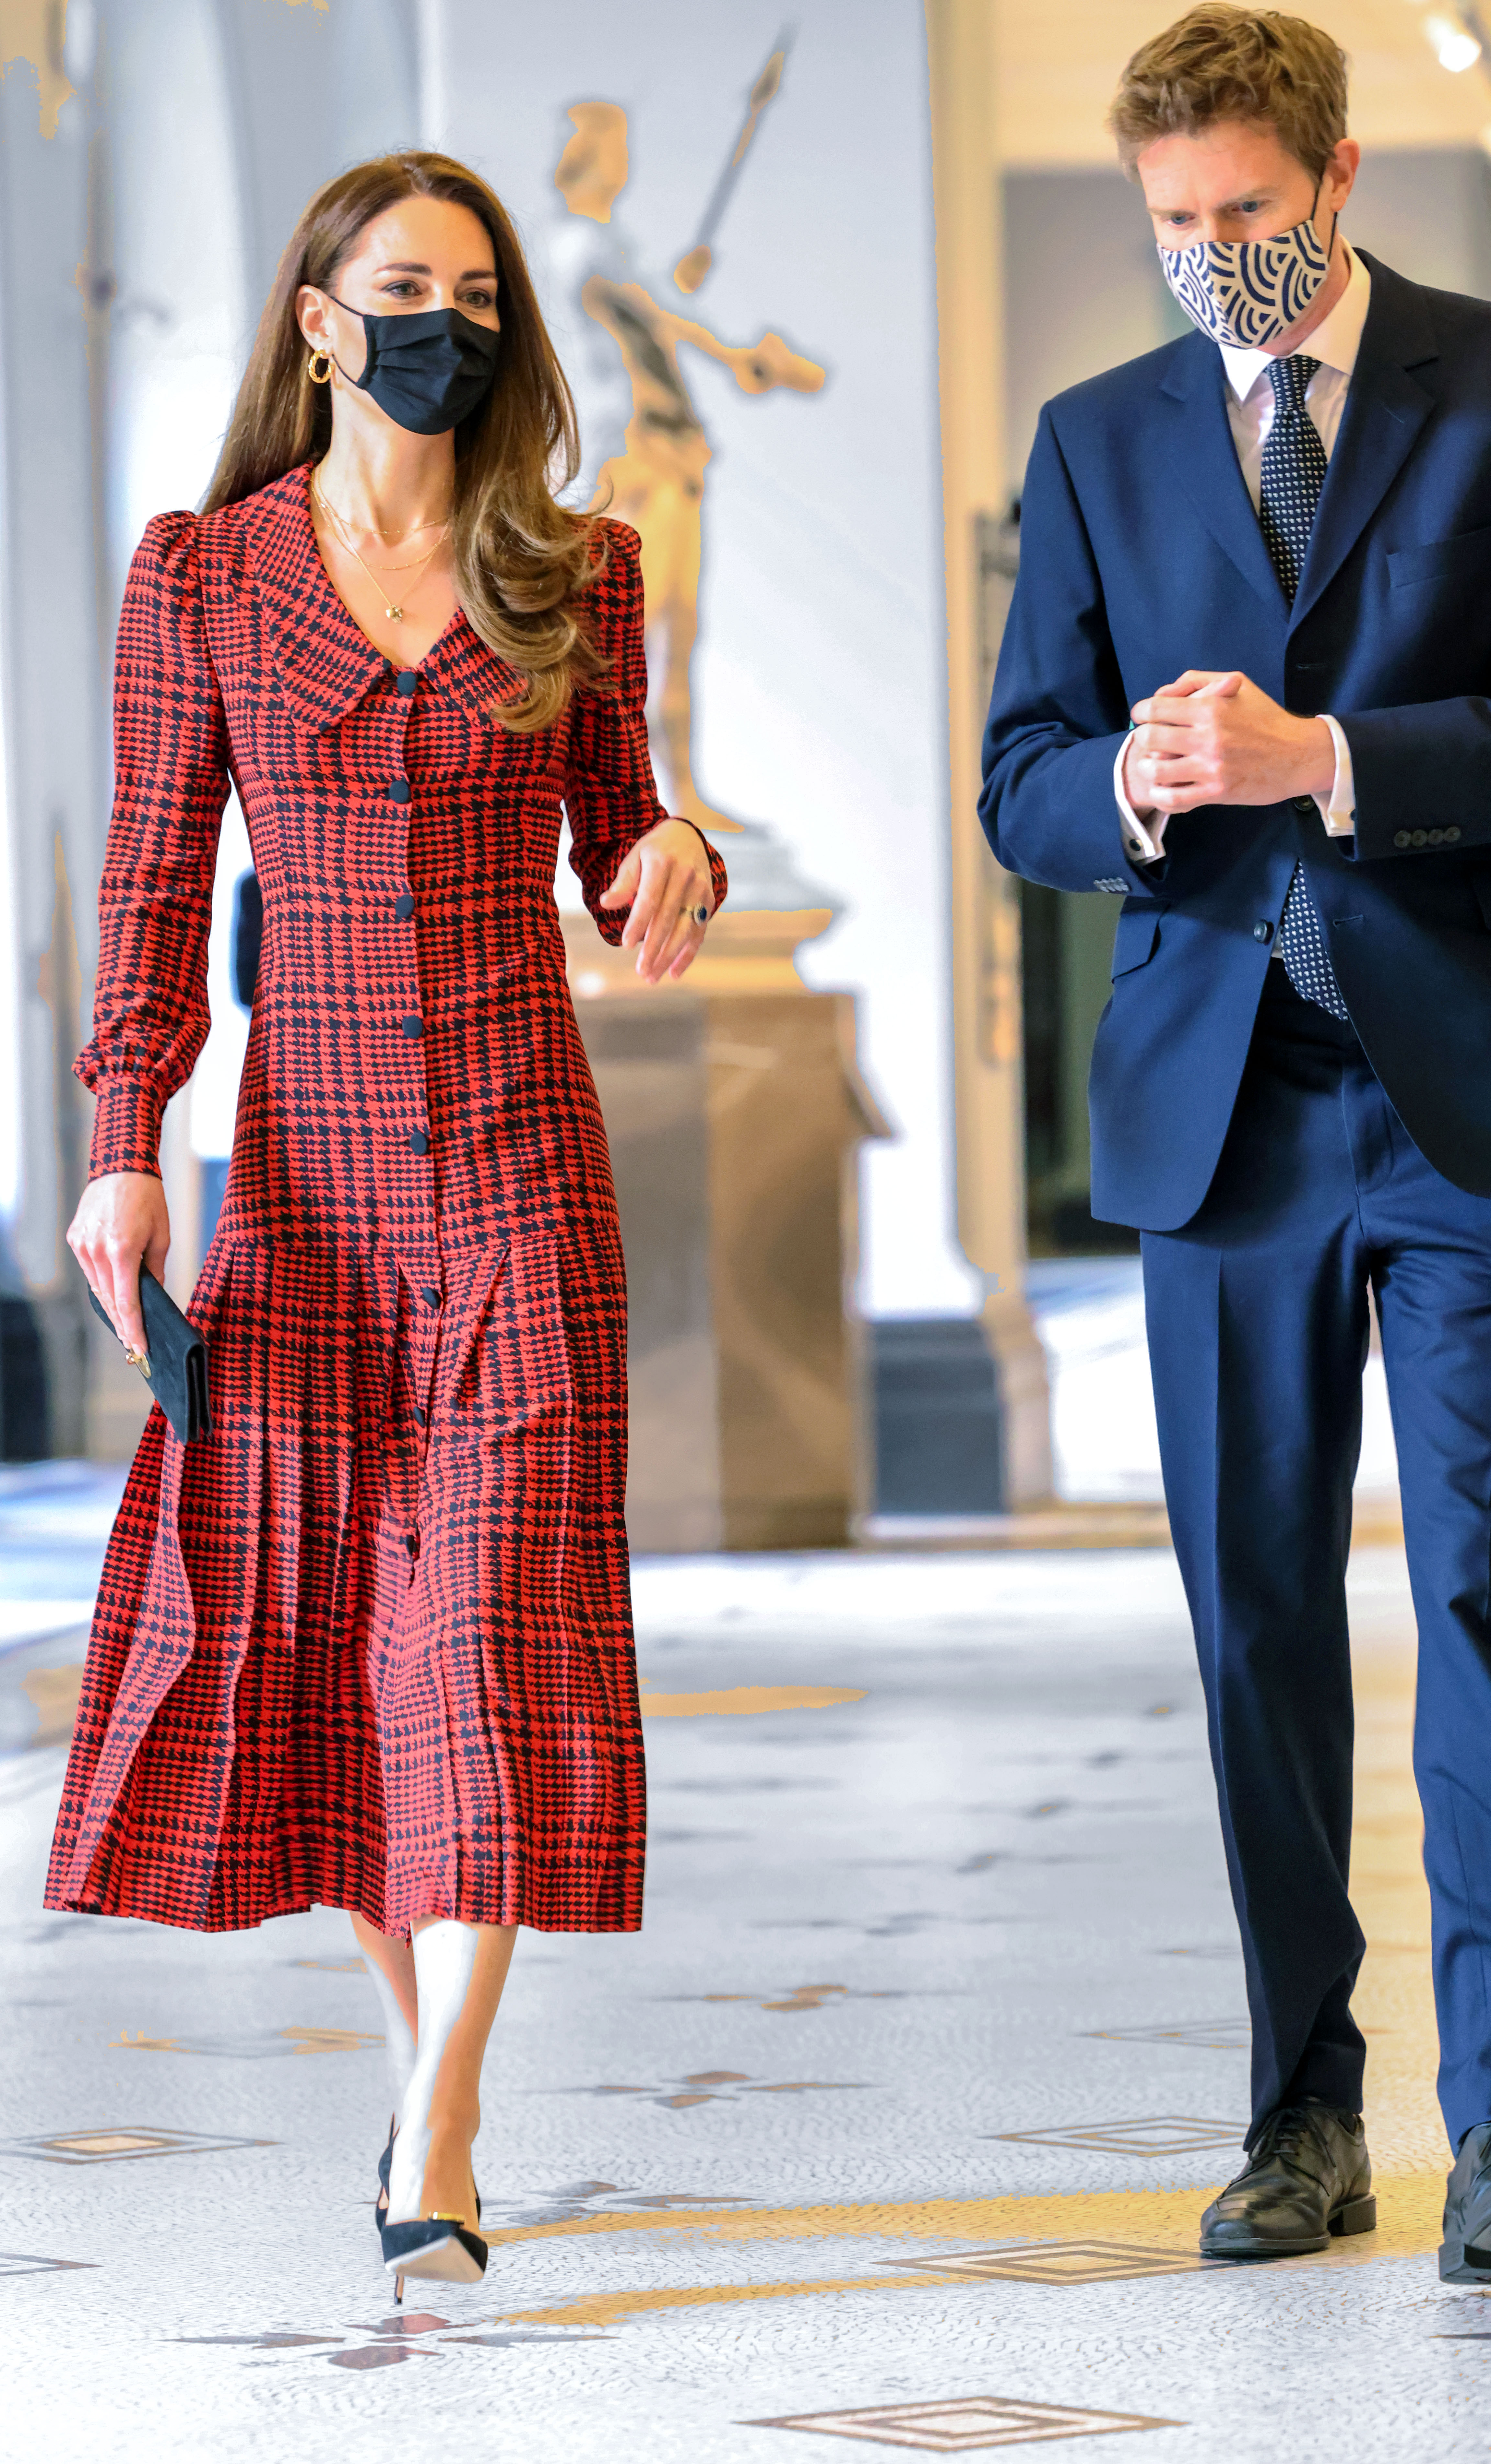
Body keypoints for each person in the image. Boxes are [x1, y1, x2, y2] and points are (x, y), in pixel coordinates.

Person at [46, 150, 725, 2297]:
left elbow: (624, 840)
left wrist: (675, 843)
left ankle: (435, 2120)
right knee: (349, 1655)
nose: (449, 319)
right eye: (403, 284)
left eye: (479, 289)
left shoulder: (574, 568)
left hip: (525, 1173)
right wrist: (121, 1137)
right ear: (320, 319)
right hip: (310, 1198)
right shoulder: (206, 579)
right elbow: (153, 886)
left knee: (492, 1647)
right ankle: (424, 2078)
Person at [982, 5, 1491, 2276]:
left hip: (1458, 1099)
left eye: (1251, 220)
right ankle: (1303, 2121)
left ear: (1341, 177)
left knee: (1479, 1613)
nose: (1216, 265)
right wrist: (1124, 788)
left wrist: (1332, 760)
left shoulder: (1487, 383)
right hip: (1226, 1121)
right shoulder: (1095, 440)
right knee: (1253, 1626)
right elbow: (1015, 775)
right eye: (1175, 227)